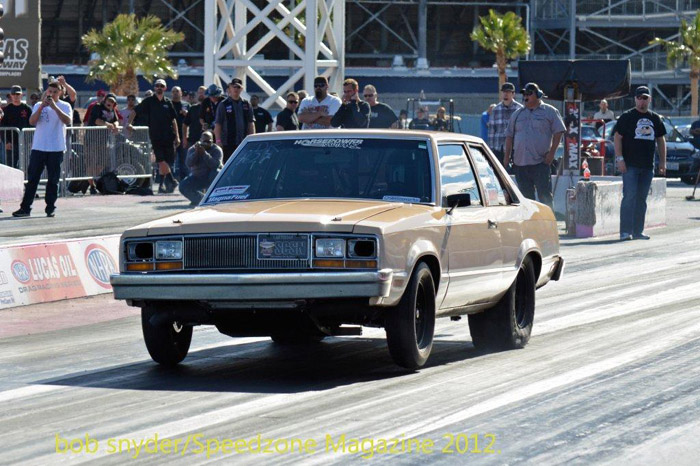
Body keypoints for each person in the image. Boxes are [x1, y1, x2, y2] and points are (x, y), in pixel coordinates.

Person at [613, 86, 666, 241]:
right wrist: (619, 159)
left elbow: (661, 140)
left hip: (647, 166)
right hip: (630, 165)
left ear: (649, 99)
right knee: (629, 196)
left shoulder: (655, 118)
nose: (642, 101)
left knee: (641, 198)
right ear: (635, 99)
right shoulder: (627, 116)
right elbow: (617, 137)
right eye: (640, 98)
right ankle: (625, 231)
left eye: (645, 98)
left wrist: (662, 161)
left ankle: (638, 231)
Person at [12, 81, 72, 218]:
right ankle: (25, 208)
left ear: (60, 93)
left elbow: (67, 121)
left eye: (55, 92)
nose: (51, 94)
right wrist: (42, 107)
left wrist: (54, 107)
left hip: (56, 148)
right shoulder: (39, 105)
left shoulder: (65, 105)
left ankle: (50, 207)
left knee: (53, 180)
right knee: (32, 179)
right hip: (39, 147)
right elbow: (32, 122)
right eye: (50, 91)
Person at [504, 82, 566, 209]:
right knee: (526, 199)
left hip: (540, 163)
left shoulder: (549, 111)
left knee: (544, 196)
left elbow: (559, 131)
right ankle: (530, 226)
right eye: (524, 94)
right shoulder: (517, 114)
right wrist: (506, 158)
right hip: (520, 164)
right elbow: (509, 136)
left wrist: (551, 154)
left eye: (529, 94)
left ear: (538, 95)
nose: (526, 96)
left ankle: (548, 225)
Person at [127, 79, 181, 193]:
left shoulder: (168, 102)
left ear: (165, 88)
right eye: (157, 86)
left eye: (162, 86)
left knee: (167, 161)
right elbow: (134, 111)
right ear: (154, 88)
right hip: (155, 136)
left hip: (168, 136)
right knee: (160, 160)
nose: (159, 87)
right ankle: (172, 179)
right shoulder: (149, 101)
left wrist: (177, 136)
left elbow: (173, 120)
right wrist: (129, 124)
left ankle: (161, 186)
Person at [214, 78, 255, 163]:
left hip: (243, 142)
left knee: (243, 164)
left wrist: (252, 139)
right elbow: (218, 124)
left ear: (241, 89)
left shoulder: (246, 104)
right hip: (227, 143)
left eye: (238, 87)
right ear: (230, 88)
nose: (236, 89)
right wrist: (218, 141)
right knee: (228, 165)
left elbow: (250, 123)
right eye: (234, 87)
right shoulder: (223, 104)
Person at [86, 93, 120, 194]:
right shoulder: (97, 107)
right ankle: (91, 185)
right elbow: (96, 120)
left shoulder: (112, 110)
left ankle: (95, 181)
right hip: (91, 139)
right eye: (109, 101)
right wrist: (107, 124)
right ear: (105, 101)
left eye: (113, 102)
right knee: (91, 162)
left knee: (101, 163)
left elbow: (116, 120)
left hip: (103, 140)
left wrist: (116, 125)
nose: (110, 103)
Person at [179, 131, 223, 206]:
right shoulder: (193, 149)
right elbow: (188, 163)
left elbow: (215, 165)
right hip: (198, 177)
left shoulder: (216, 150)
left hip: (211, 176)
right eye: (204, 141)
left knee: (216, 173)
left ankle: (215, 198)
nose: (206, 144)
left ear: (212, 141)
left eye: (208, 142)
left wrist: (205, 154)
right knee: (183, 185)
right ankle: (200, 199)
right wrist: (196, 153)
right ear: (200, 140)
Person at [488, 82, 523, 165]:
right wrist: (490, 149)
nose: (505, 94)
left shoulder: (520, 109)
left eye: (508, 92)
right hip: (498, 148)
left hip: (515, 149)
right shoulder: (496, 109)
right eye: (504, 92)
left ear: (513, 94)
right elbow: (492, 131)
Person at [1, 85, 33, 168]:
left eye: (18, 94)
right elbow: (2, 127)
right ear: (11, 95)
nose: (16, 96)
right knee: (11, 165)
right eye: (14, 94)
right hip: (11, 142)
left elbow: (31, 125)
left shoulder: (27, 109)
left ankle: (25, 180)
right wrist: (6, 142)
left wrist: (30, 141)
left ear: (22, 95)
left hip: (25, 142)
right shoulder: (6, 110)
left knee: (26, 164)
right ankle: (11, 181)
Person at [171, 86, 190, 180]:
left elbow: (191, 119)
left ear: (181, 93)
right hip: (171, 136)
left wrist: (187, 114)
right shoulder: (169, 104)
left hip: (183, 136)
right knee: (171, 160)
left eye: (177, 91)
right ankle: (170, 181)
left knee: (184, 160)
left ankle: (184, 181)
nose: (175, 93)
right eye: (173, 91)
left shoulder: (186, 105)